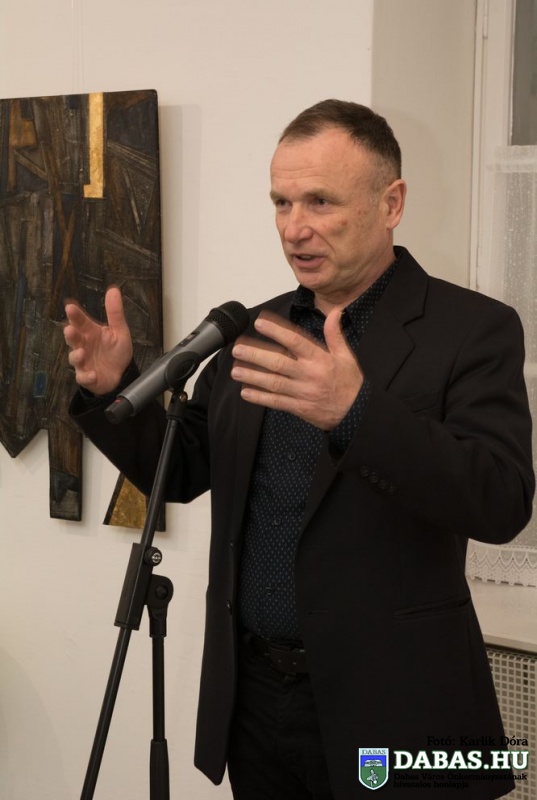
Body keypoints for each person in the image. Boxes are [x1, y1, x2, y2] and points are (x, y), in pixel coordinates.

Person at [64, 100, 534, 799]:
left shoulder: (472, 330)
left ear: (391, 203)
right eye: (281, 202)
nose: (293, 227)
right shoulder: (255, 332)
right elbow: (182, 468)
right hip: (256, 701)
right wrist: (114, 388)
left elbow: (499, 500)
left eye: (320, 201)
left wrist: (356, 413)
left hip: (397, 707)